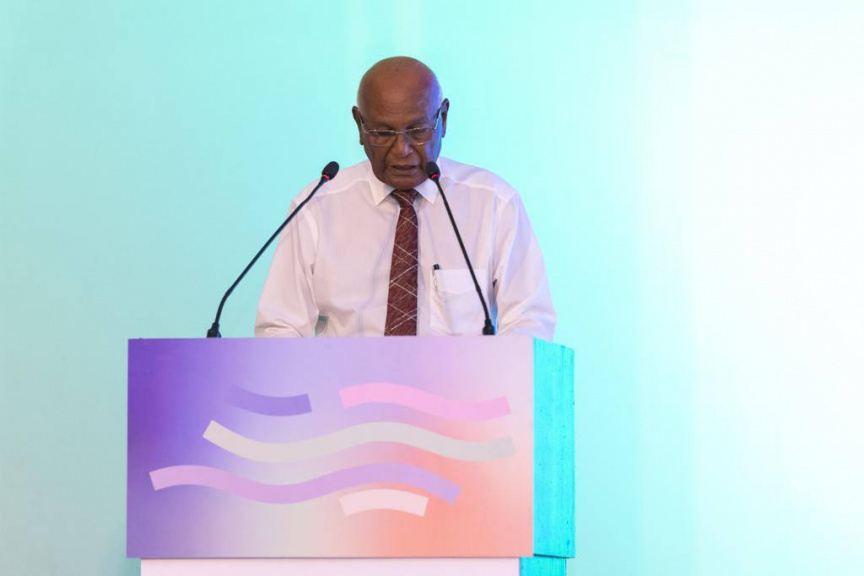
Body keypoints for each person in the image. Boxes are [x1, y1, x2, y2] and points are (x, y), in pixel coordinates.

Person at [255, 57, 555, 339]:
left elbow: (529, 323)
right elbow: (280, 328)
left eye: (417, 130)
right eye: (383, 133)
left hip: (462, 378)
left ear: (443, 118)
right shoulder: (317, 207)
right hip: (344, 379)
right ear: (360, 125)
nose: (402, 150)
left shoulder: (493, 204)